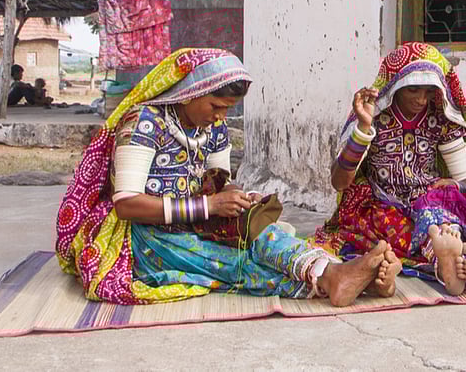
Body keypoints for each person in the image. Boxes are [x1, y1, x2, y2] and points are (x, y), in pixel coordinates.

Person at [55, 48, 397, 306]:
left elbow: (218, 182)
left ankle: (336, 275)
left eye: (228, 109)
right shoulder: (143, 124)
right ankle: (337, 277)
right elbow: (128, 205)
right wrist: (208, 206)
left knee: (263, 234)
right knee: (234, 263)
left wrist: (235, 198)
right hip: (147, 236)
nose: (221, 116)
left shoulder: (213, 127)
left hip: (200, 219)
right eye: (216, 106)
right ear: (190, 92)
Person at [313, 42, 466, 294]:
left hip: (428, 197)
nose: (422, 99)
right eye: (413, 90)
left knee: (440, 219)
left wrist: (455, 187)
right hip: (384, 202)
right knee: (408, 230)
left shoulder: (443, 119)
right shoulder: (373, 117)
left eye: (429, 92)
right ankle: (455, 262)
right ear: (395, 86)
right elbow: (340, 183)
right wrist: (363, 129)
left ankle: (459, 261)